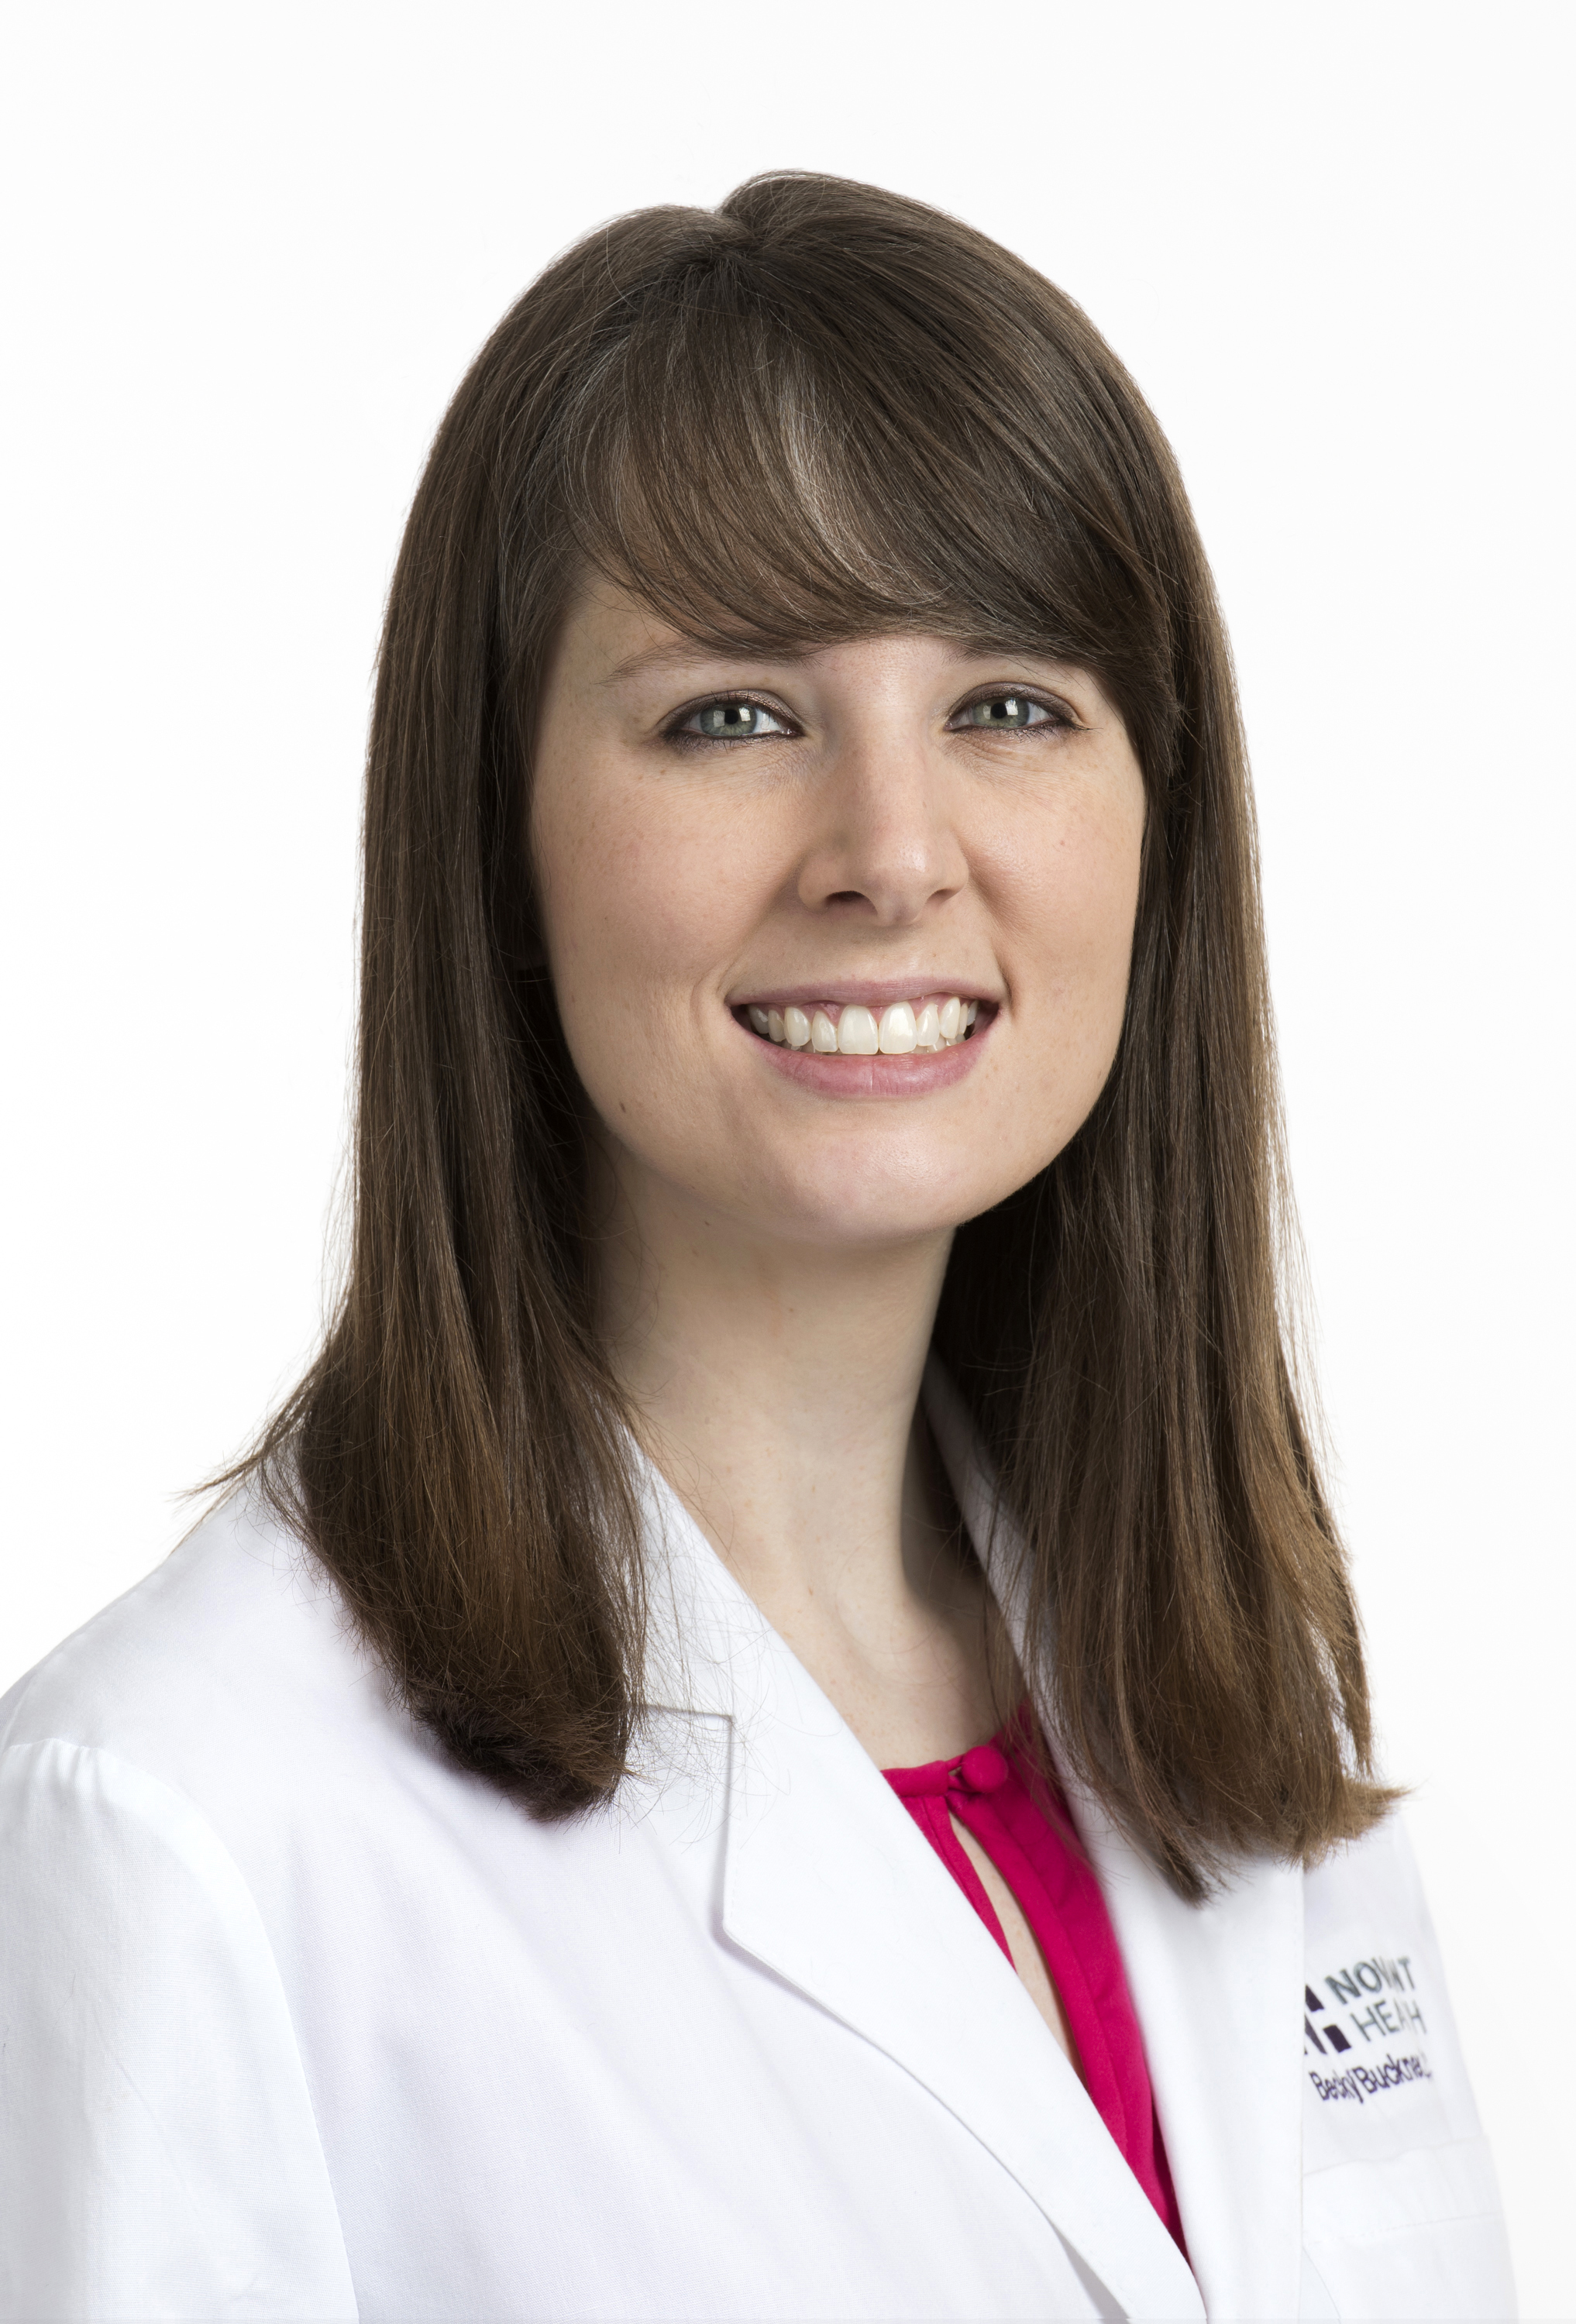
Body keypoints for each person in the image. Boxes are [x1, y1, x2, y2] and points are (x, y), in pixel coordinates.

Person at [0, 173, 1515, 2322]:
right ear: (493, 830)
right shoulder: (191, 1824)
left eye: (1007, 704)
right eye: (732, 712)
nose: (893, 855)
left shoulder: (1225, 1720)